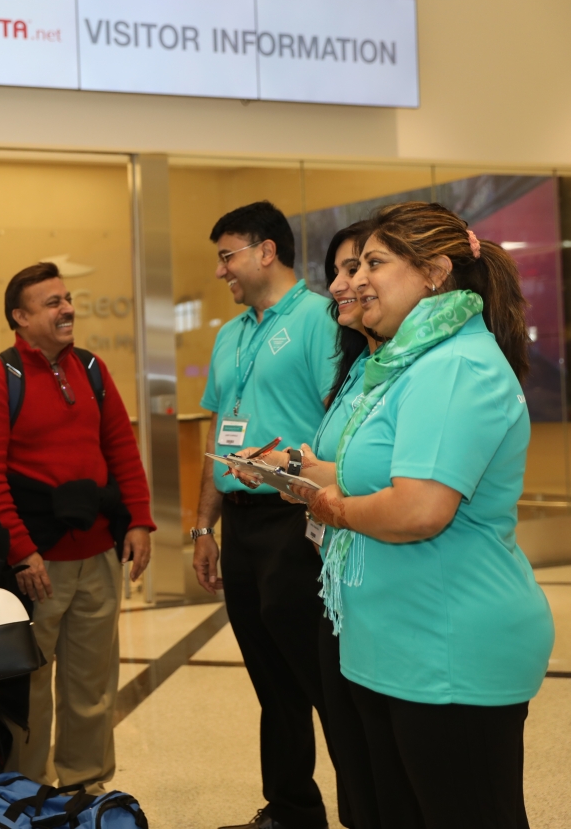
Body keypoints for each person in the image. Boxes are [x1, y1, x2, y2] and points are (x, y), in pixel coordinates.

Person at [285, 202, 554, 828]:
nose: (356, 279)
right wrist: (304, 479)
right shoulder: (404, 363)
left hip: (449, 645)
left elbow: (419, 510)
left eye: (375, 263)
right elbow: (375, 475)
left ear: (434, 272)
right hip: (392, 640)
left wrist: (334, 507)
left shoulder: (454, 365)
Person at [0, 262, 155, 793]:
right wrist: (22, 553)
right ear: (19, 318)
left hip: (97, 556)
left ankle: (85, 787)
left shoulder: (92, 369)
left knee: (92, 684)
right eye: (52, 303)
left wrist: (138, 520)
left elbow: (121, 450)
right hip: (37, 564)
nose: (66, 309)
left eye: (66, 299)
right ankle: (27, 791)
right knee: (30, 688)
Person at [190, 201, 339, 829]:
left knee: (322, 676)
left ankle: (369, 802)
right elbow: (221, 436)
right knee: (271, 679)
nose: (221, 271)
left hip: (295, 517)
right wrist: (204, 527)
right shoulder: (231, 334)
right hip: (243, 524)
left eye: (228, 255)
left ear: (266, 251)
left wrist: (297, 466)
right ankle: (290, 809)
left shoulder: (319, 320)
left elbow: (340, 423)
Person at [230, 221, 382, 829]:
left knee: (358, 722)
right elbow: (330, 456)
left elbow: (417, 501)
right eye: (342, 272)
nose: (344, 286)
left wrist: (324, 499)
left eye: (362, 268)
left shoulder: (436, 369)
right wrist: (288, 463)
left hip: (348, 551)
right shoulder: (359, 362)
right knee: (303, 693)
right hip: (339, 559)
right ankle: (298, 808)